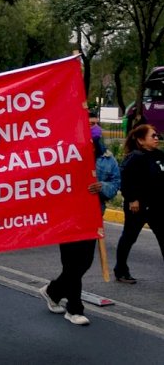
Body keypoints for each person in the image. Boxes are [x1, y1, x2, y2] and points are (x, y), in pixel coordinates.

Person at [39, 124, 121, 326]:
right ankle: (74, 309)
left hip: (91, 219)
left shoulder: (107, 159)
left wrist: (102, 187)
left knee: (84, 263)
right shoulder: (62, 155)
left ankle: (53, 291)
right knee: (71, 264)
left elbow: (115, 183)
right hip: (67, 217)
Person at [113, 124, 164, 284]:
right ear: (141, 140)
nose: (156, 138)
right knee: (129, 237)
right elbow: (125, 180)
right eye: (153, 136)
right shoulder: (135, 157)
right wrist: (132, 198)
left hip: (157, 206)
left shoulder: (159, 155)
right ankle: (121, 270)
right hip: (138, 207)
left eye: (157, 135)